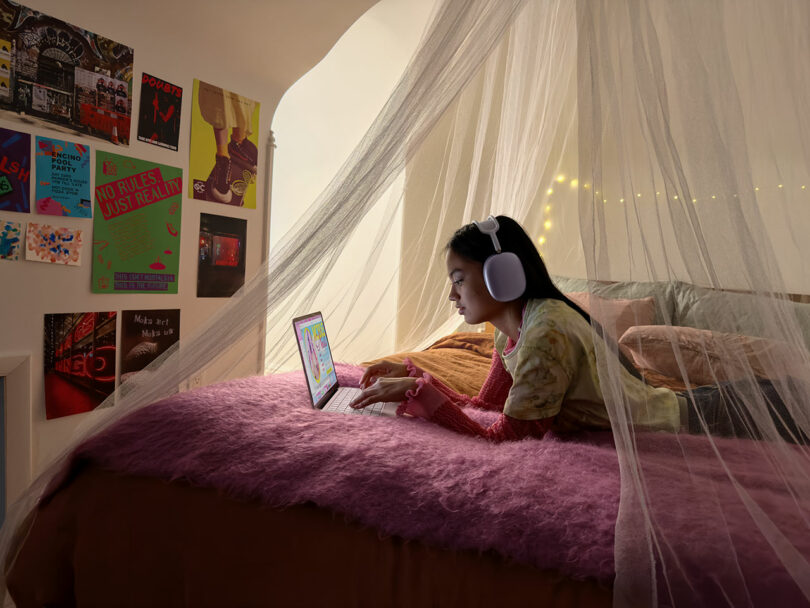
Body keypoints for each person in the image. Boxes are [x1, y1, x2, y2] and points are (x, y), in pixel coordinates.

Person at [349, 215, 685, 442]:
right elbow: (487, 406)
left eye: (460, 280)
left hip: (684, 420)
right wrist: (415, 376)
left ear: (502, 274)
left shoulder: (545, 335)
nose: (452, 295)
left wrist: (419, 392)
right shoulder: (509, 327)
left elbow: (503, 438)